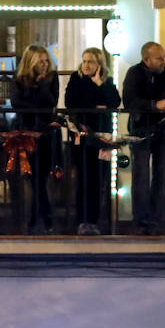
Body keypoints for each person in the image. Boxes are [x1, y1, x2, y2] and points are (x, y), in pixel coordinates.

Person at [122, 41, 165, 234]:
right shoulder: (134, 73)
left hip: (164, 129)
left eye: (164, 57)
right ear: (146, 59)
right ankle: (140, 220)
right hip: (141, 129)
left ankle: (156, 220)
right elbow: (130, 101)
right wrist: (154, 105)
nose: (164, 61)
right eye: (159, 58)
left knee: (161, 176)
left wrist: (157, 105)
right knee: (141, 176)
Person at [64, 47, 121, 235]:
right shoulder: (75, 79)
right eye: (84, 61)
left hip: (101, 138)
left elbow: (114, 101)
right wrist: (95, 102)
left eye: (91, 62)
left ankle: (94, 221)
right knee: (83, 178)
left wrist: (98, 84)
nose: (86, 65)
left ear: (99, 65)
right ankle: (82, 220)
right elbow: (72, 102)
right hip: (81, 136)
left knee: (98, 179)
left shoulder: (106, 81)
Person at [8, 44, 60, 234]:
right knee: (32, 178)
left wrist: (43, 86)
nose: (45, 65)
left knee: (42, 176)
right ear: (31, 62)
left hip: (45, 133)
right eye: (41, 61)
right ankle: (43, 220)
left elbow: (51, 103)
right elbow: (16, 103)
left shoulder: (52, 79)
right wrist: (34, 92)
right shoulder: (20, 79)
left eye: (47, 61)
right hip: (25, 133)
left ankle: (36, 220)